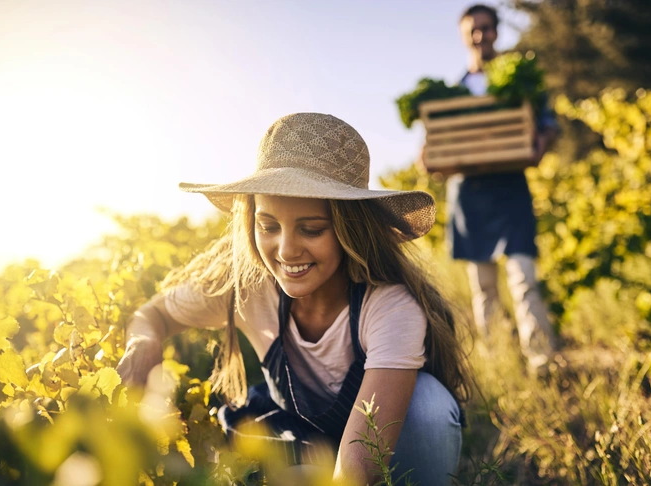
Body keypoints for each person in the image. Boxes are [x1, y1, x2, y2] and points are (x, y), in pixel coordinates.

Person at [117, 113, 475, 486]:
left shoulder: (390, 307)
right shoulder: (247, 285)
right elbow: (153, 314)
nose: (286, 251)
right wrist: (145, 341)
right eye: (268, 226)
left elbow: (355, 471)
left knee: (428, 406)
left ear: (349, 229)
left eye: (311, 229)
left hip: (373, 453)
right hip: (295, 439)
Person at [423, 4, 559, 371]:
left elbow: (548, 122)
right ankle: (497, 359)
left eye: (486, 28)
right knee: (483, 287)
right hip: (470, 196)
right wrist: (430, 157)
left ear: (497, 31)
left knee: (523, 277)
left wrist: (541, 142)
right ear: (464, 36)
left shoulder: (520, 81)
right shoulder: (452, 93)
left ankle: (541, 360)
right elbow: (435, 150)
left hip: (511, 189)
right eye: (473, 30)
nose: (480, 36)